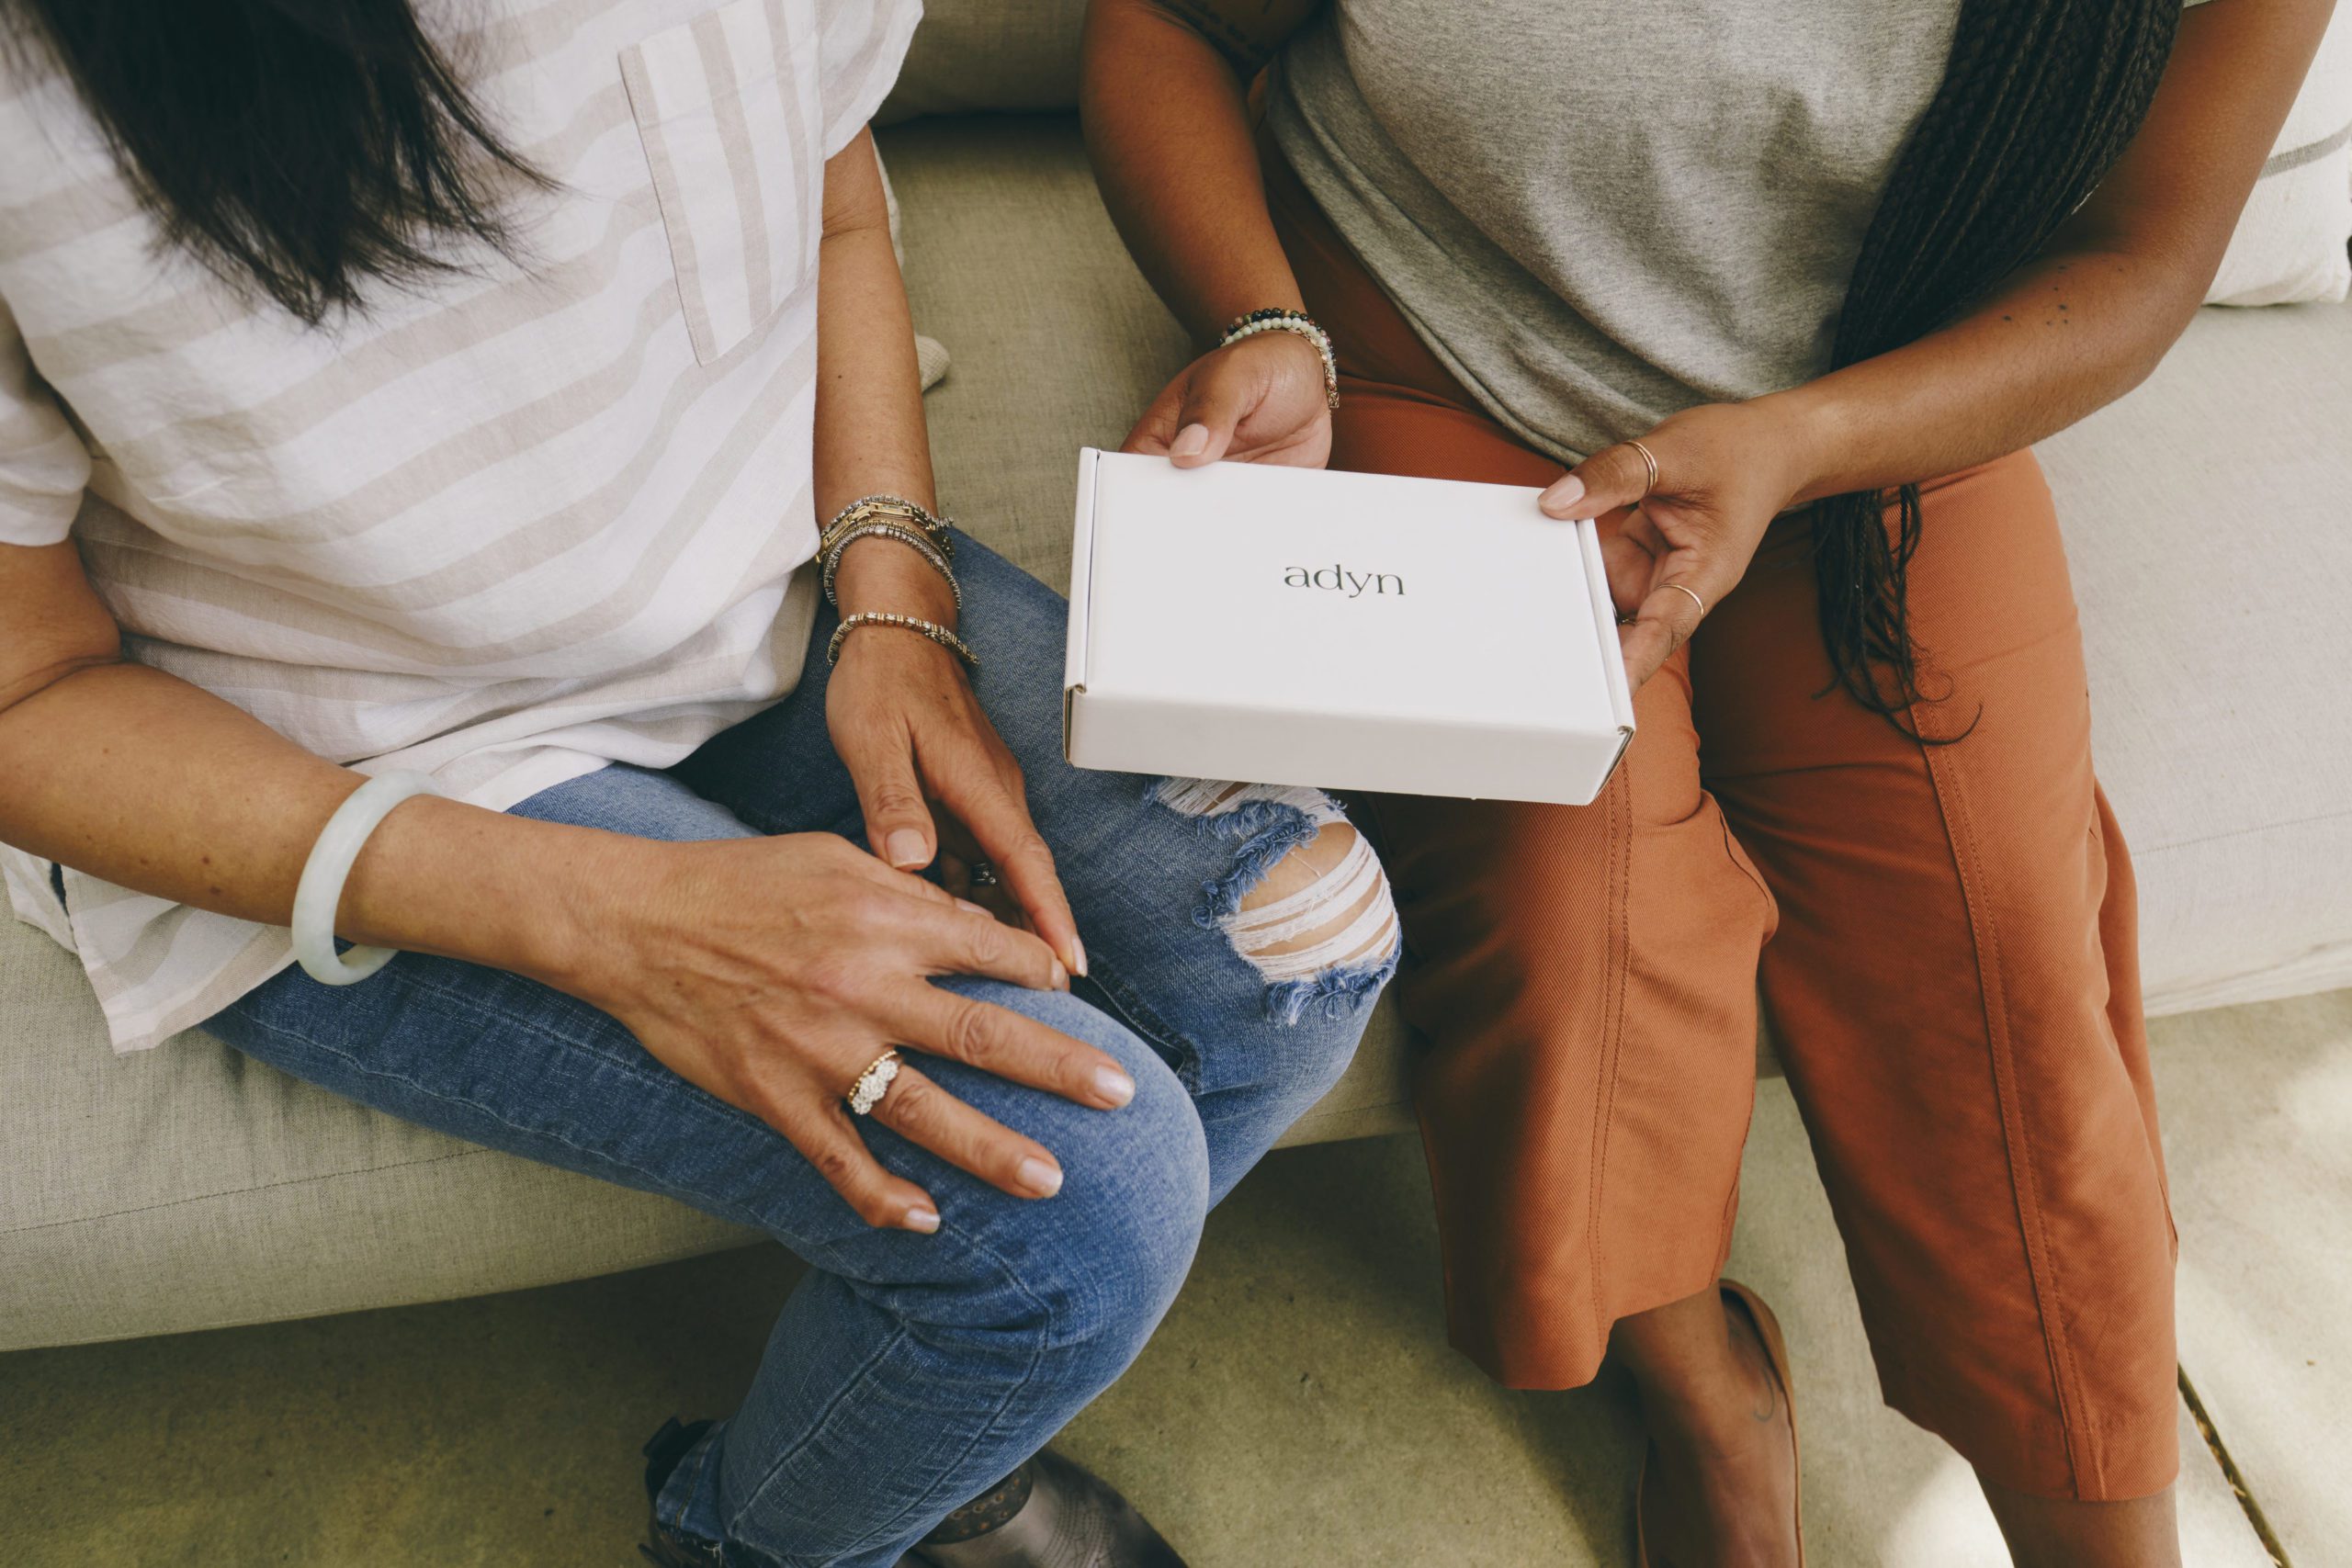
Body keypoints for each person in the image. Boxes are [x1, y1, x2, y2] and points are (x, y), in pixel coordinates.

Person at [0, 3, 1398, 1563]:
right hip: (336, 773)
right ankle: (751, 1539)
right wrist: (622, 916)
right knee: (1086, 1212)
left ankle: (924, 1417)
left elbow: (837, 195)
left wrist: (891, 586)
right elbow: (24, 693)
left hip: (772, 583)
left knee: (1302, 948)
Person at [1080, 0, 2331, 1562]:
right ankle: (1704, 1393)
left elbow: (2141, 262)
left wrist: (1800, 447)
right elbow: (1161, 24)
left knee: (2001, 959)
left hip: (1885, 403)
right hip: (1441, 359)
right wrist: (1263, 321)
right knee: (1574, 917)